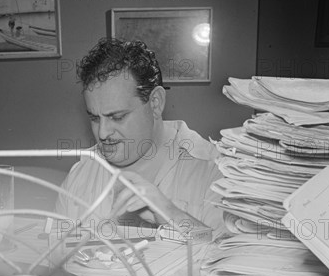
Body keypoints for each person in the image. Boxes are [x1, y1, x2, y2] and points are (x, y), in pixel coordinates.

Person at [55, 38, 223, 233]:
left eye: (117, 117)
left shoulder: (215, 172)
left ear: (155, 104)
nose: (102, 133)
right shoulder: (80, 175)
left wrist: (173, 215)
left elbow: (236, 257)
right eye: (94, 118)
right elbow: (54, 257)